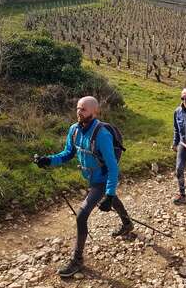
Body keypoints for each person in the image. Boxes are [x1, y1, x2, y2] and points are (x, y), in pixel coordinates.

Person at [34, 96, 133, 277]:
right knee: (113, 201)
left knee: (81, 217)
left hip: (101, 180)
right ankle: (127, 224)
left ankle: (77, 260)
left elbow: (112, 168)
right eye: (78, 108)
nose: (79, 112)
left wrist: (109, 193)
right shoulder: (74, 130)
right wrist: (48, 160)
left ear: (95, 112)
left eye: (84, 109)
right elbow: (67, 154)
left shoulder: (102, 135)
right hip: (91, 178)